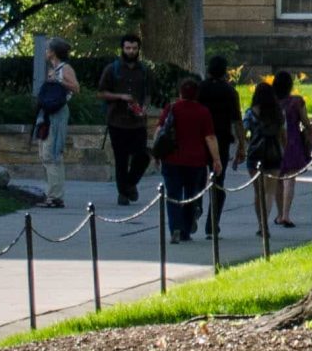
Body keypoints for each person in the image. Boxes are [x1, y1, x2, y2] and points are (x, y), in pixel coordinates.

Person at [156, 76, 220, 242]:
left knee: (173, 195)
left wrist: (157, 154)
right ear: (196, 94)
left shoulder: (171, 108)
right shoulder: (203, 112)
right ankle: (185, 229)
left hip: (172, 159)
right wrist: (216, 159)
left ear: (180, 92)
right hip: (196, 161)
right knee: (192, 195)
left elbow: (159, 131)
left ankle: (175, 228)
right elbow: (210, 138)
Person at [97, 32, 155, 207]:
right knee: (121, 159)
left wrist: (144, 107)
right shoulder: (112, 69)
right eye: (128, 48)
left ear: (138, 50)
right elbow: (101, 93)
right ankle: (122, 193)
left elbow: (149, 94)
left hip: (138, 122)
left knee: (143, 155)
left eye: (134, 48)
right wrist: (120, 96)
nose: (131, 51)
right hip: (117, 120)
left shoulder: (145, 71)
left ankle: (130, 183)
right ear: (122, 48)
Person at [197, 57, 242, 235]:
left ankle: (196, 206)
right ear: (225, 72)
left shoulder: (200, 89)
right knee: (218, 182)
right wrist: (242, 145)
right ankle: (212, 224)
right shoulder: (230, 91)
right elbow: (237, 120)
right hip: (221, 139)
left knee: (198, 178)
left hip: (200, 139)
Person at [33, 39, 80, 209]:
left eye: (48, 49)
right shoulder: (53, 69)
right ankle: (52, 194)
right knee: (46, 154)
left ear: (53, 52)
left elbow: (76, 88)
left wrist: (58, 80)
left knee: (51, 154)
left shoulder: (64, 68)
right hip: (48, 113)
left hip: (57, 113)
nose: (46, 52)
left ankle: (55, 196)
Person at [270, 71, 312, 227]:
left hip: (275, 143)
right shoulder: (296, 102)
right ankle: (286, 214)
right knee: (290, 180)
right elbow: (306, 123)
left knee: (278, 180)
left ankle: (279, 213)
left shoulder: (272, 102)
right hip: (293, 142)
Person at [245, 75, 288, 225]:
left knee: (258, 192)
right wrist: (285, 149)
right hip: (274, 153)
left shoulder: (250, 113)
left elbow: (245, 133)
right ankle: (266, 220)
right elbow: (283, 135)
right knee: (270, 190)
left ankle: (260, 223)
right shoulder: (278, 113)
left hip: (255, 153)